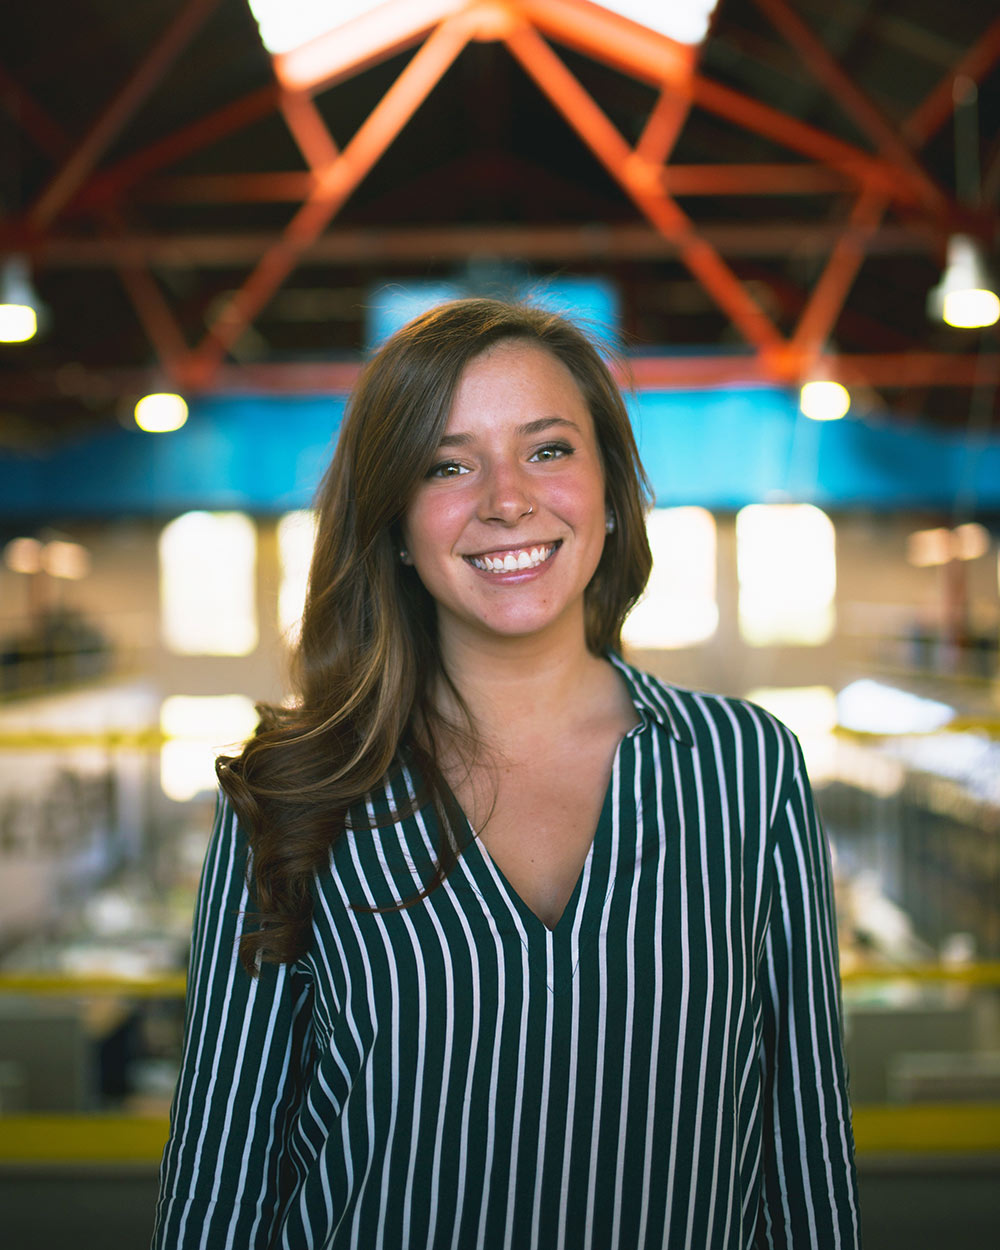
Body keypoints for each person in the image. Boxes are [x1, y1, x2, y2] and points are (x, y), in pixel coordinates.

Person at [153, 298, 860, 1249]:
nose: (506, 498)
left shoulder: (745, 771)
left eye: (550, 449)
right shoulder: (295, 795)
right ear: (396, 521)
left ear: (611, 488)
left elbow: (807, 1159)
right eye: (448, 465)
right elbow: (217, 1185)